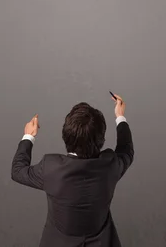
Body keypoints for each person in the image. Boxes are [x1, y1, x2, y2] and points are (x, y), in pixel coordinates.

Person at [11, 93, 134, 247]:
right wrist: (120, 116)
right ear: (101, 139)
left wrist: (28, 136)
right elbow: (126, 150)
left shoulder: (51, 168)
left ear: (66, 136)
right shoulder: (110, 165)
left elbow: (17, 170)